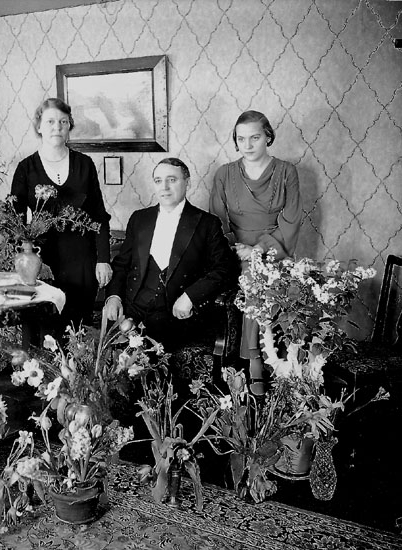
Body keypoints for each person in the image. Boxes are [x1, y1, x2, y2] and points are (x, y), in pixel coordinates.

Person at [210, 110, 303, 395]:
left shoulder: (286, 172)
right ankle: (254, 363)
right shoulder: (224, 174)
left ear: (268, 137)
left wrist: (259, 249)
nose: (247, 145)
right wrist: (237, 247)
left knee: (262, 277)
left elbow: (292, 220)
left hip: (274, 249)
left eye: (255, 137)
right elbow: (217, 220)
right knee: (251, 275)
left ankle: (267, 362)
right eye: (241, 139)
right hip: (234, 251)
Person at [103, 157, 239, 352]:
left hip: (176, 314)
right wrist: (114, 297)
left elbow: (225, 269)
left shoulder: (207, 223)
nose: (164, 187)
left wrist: (190, 297)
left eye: (172, 180)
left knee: (151, 353)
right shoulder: (139, 218)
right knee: (107, 355)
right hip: (135, 308)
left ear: (187, 182)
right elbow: (122, 264)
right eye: (158, 181)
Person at [11, 98, 112, 330]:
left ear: (69, 126)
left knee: (77, 329)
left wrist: (103, 259)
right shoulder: (26, 168)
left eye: (63, 122)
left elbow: (99, 215)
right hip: (43, 262)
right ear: (39, 126)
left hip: (83, 262)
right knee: (45, 330)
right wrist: (23, 261)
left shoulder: (85, 164)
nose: (57, 127)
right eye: (50, 121)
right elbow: (15, 221)